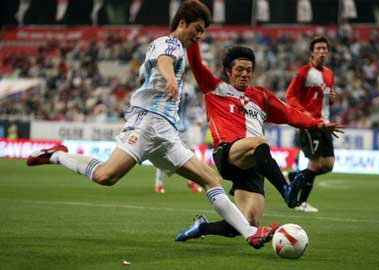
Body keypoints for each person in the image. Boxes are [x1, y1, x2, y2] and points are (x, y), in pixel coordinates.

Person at [26, 0, 279, 250]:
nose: (199, 36)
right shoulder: (170, 43)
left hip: (166, 131)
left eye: (203, 31)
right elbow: (164, 61)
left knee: (210, 178)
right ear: (182, 23)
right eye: (197, 29)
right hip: (148, 125)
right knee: (106, 176)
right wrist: (170, 79)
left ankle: (250, 233)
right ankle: (57, 155)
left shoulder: (170, 46)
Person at [175, 40, 343, 241]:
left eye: (249, 70)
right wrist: (193, 39)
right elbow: (196, 63)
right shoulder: (215, 89)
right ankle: (286, 190)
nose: (245, 74)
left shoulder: (261, 95)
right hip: (228, 154)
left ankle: (201, 228)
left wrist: (317, 124)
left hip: (253, 163)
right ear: (228, 70)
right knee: (258, 141)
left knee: (249, 223)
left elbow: (290, 114)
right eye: (239, 69)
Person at [285, 36, 336, 213]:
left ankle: (294, 176)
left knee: (328, 164)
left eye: (324, 48)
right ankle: (302, 203)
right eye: (318, 48)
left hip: (326, 124)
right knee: (315, 165)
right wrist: (303, 112)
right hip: (309, 124)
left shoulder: (329, 74)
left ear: (327, 51)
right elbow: (290, 95)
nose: (322, 51)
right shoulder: (303, 72)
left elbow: (327, 97)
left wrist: (333, 100)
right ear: (312, 52)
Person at [154, 70, 203, 193]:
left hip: (184, 127)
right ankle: (159, 183)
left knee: (192, 154)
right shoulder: (168, 85)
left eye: (184, 74)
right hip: (169, 126)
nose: (183, 76)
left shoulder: (189, 88)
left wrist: (198, 119)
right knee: (163, 154)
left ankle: (192, 181)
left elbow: (193, 105)